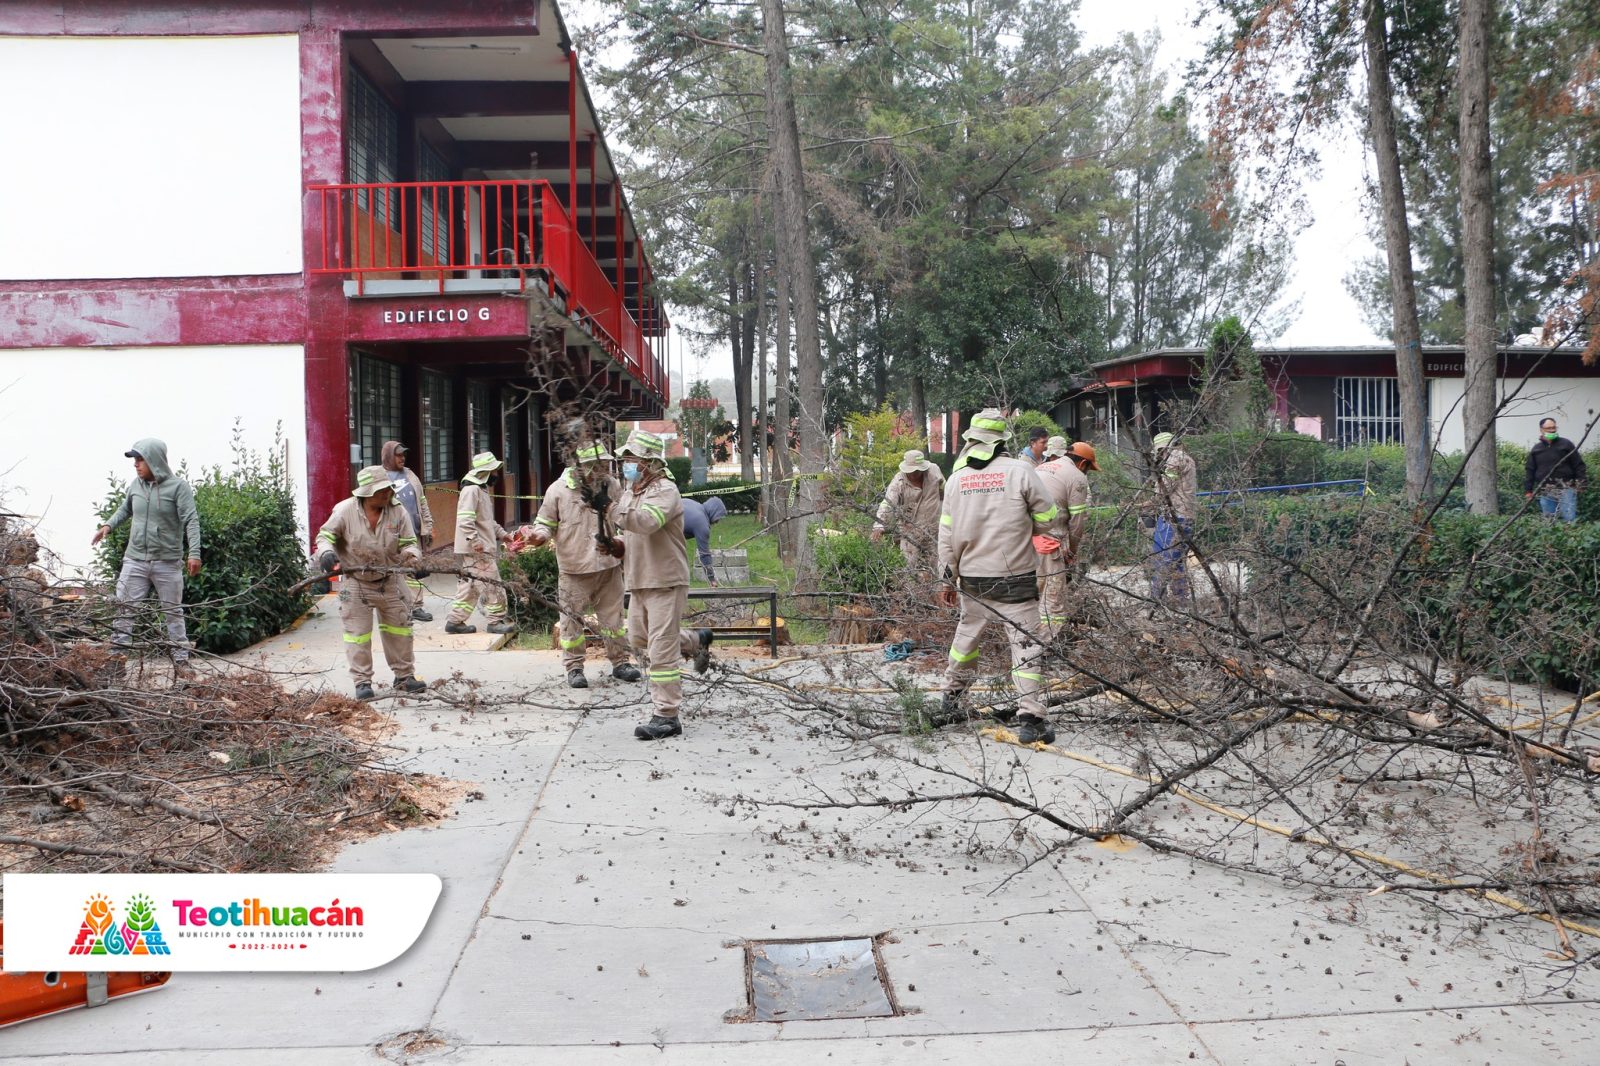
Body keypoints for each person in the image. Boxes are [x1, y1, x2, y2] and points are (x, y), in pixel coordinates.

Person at [936, 408, 1059, 746]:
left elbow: (945, 536)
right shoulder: (1021, 471)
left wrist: (947, 579)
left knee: (967, 638)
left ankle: (952, 698)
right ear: (1003, 440)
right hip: (1014, 577)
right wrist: (1027, 523)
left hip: (972, 578)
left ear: (972, 440)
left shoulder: (957, 478)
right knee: (1025, 647)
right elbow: (1049, 517)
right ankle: (1031, 718)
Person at [606, 429, 713, 741]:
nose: (625, 464)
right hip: (639, 579)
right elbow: (632, 534)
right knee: (639, 640)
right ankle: (694, 641)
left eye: (631, 459)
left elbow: (646, 522)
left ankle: (667, 716)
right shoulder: (632, 493)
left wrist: (611, 509)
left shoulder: (665, 491)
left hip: (664, 580)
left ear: (649, 463)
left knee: (661, 650)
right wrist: (614, 544)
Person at [529, 442, 642, 688]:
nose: (603, 470)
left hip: (608, 566)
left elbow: (626, 520)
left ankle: (620, 662)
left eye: (604, 465)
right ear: (582, 466)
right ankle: (574, 667)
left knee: (613, 620)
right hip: (574, 568)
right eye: (597, 466)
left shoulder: (611, 486)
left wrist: (619, 543)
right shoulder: (558, 490)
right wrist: (538, 536)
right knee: (571, 620)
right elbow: (545, 522)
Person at [314, 465, 427, 701]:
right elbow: (325, 536)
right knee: (357, 635)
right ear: (365, 493)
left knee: (400, 629)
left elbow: (408, 542)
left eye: (387, 488)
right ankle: (362, 681)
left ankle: (404, 677)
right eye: (380, 490)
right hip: (356, 583)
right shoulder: (344, 511)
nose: (386, 493)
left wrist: (413, 559)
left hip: (391, 580)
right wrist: (326, 553)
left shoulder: (398, 512)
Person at [92, 438, 202, 677]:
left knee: (173, 613)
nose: (136, 465)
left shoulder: (178, 488)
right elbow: (125, 509)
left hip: (167, 562)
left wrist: (194, 553)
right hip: (135, 561)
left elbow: (191, 520)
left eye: (140, 459)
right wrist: (108, 525)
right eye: (135, 459)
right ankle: (115, 662)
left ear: (155, 460)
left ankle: (181, 663)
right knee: (123, 611)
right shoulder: (135, 485)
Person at [1033, 437, 1096, 641]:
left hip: (1023, 542)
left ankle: (1022, 640)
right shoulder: (1076, 476)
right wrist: (1072, 551)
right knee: (1053, 601)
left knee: (1029, 596)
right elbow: (1077, 521)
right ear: (1083, 463)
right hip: (1050, 545)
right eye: (1088, 468)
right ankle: (1045, 646)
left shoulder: (1041, 468)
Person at [445, 452, 515, 635]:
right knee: (493, 584)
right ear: (487, 472)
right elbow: (465, 520)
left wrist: (503, 535)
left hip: (476, 547)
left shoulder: (480, 489)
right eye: (495, 472)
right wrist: (475, 541)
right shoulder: (471, 490)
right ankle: (495, 621)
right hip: (477, 549)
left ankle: (455, 621)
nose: (497, 476)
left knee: (469, 587)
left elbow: (486, 521)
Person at [382, 441, 435, 621]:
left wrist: (428, 526)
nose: (402, 458)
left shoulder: (410, 474)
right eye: (398, 455)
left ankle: (415, 606)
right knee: (399, 572)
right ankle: (405, 606)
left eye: (403, 454)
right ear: (389, 456)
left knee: (412, 569)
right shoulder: (381, 478)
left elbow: (422, 502)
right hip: (393, 534)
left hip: (414, 532)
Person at [870, 449, 945, 571]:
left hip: (933, 530)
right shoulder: (899, 481)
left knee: (934, 568)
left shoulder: (934, 471)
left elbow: (944, 488)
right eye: (912, 471)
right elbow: (888, 502)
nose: (914, 474)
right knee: (909, 567)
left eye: (917, 470)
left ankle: (933, 588)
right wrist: (879, 525)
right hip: (909, 532)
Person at [1146, 431, 1198, 605]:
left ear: (1162, 448)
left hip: (1174, 516)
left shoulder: (1174, 459)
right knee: (1177, 562)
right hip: (1186, 515)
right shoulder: (1187, 458)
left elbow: (1165, 487)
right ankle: (1180, 600)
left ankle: (1157, 600)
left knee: (1163, 559)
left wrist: (1149, 502)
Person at [1524, 417, 1587, 523]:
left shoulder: (1566, 444)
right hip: (1545, 490)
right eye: (1548, 428)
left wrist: (1581, 483)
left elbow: (1578, 464)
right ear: (1541, 429)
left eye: (1554, 427)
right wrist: (1528, 490)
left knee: (1569, 519)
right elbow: (1530, 470)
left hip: (1566, 488)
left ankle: (1570, 537)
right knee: (1549, 520)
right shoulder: (1536, 449)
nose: (1552, 430)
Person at [682, 495, 729, 586]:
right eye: (718, 518)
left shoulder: (695, 505)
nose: (717, 522)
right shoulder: (701, 523)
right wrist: (712, 579)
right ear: (714, 511)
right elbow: (704, 555)